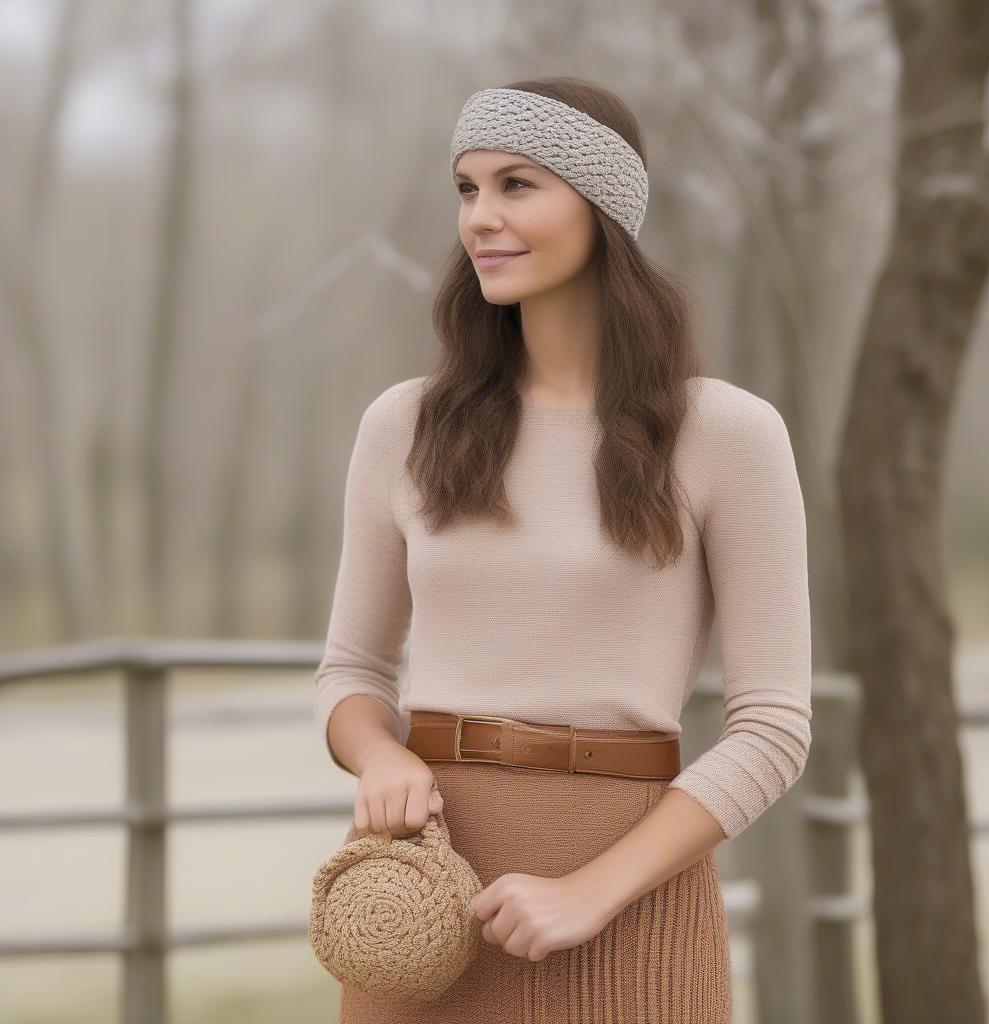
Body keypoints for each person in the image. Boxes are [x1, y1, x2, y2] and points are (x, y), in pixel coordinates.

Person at [313, 74, 812, 1024]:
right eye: (466, 189)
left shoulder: (727, 434)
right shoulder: (405, 425)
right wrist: (379, 758)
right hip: (420, 901)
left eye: (517, 185)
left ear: (604, 208)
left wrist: (593, 891)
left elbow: (773, 728)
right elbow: (351, 669)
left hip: (630, 900)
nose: (481, 219)